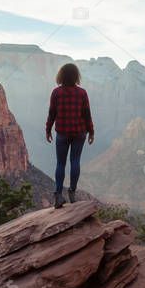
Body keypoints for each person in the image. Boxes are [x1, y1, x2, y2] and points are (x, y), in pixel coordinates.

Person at [45, 63, 94, 208]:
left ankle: (58, 195)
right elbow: (87, 115)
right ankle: (72, 192)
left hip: (62, 133)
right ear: (76, 76)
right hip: (79, 132)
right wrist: (91, 131)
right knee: (75, 161)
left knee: (61, 163)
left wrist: (48, 129)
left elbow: (52, 113)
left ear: (61, 75)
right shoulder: (82, 93)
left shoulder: (56, 93)